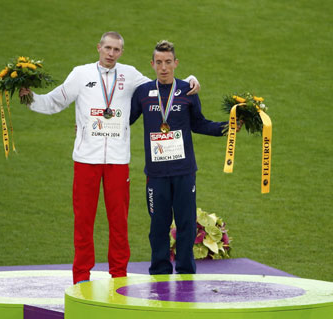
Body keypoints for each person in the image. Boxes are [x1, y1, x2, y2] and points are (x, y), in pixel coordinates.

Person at [19, 32, 200, 284]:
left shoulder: (130, 75)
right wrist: (30, 99)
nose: (111, 53)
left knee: (118, 222)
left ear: (121, 52)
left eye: (116, 49)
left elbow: (163, 86)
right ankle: (81, 276)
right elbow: (56, 101)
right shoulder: (81, 74)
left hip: (117, 161)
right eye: (107, 48)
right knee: (83, 221)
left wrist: (190, 80)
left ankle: (118, 275)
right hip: (85, 160)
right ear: (99, 48)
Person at [130, 40, 232, 275]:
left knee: (186, 224)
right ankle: (159, 270)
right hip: (156, 175)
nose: (163, 67)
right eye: (159, 63)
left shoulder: (187, 90)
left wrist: (229, 127)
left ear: (176, 63)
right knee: (158, 225)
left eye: (168, 62)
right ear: (152, 64)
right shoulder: (144, 93)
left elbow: (199, 123)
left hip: (184, 172)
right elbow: (124, 122)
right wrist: (91, 126)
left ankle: (186, 270)